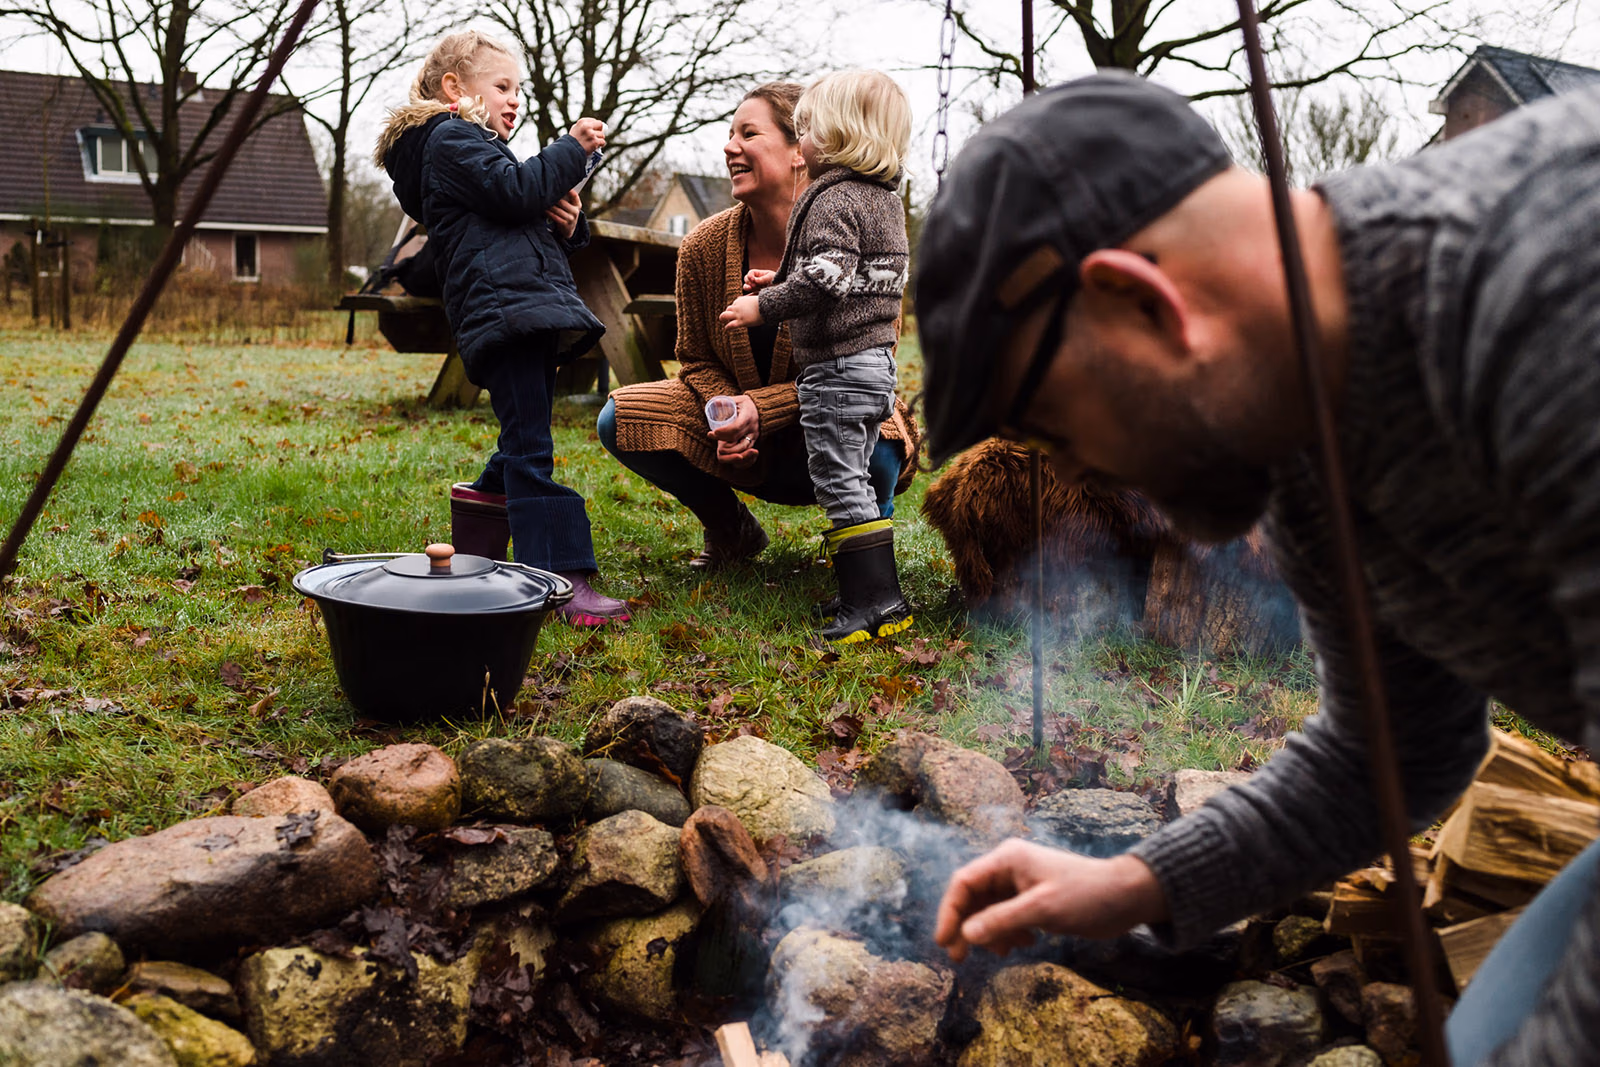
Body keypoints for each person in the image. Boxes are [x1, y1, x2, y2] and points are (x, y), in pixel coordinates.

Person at [916, 71, 1600, 1065]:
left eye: (1053, 431)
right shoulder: (1304, 443)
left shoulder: (1538, 282)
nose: (1067, 474)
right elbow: (1389, 753)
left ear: (1141, 299)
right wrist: (1134, 883)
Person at [597, 82, 919, 578]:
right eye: (730, 134)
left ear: (800, 149)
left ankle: (861, 558)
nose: (730, 147)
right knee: (621, 417)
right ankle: (731, 529)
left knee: (879, 444)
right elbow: (696, 358)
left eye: (749, 133)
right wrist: (726, 414)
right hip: (744, 446)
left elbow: (870, 352)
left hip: (839, 405)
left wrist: (761, 411)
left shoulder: (857, 223)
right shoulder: (703, 246)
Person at [375, 30, 630, 626]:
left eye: (520, 89)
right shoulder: (448, 140)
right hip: (506, 315)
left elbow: (521, 220)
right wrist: (570, 150)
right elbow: (518, 193)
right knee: (530, 447)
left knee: (523, 433)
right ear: (454, 89)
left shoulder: (476, 150)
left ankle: (482, 514)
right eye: (503, 86)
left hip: (523, 310)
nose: (515, 100)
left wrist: (569, 225)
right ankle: (559, 578)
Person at [714, 70, 914, 644]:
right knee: (853, 474)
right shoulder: (882, 199)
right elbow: (856, 273)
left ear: (837, 137)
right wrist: (779, 276)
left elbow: (826, 282)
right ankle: (866, 592)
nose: (801, 143)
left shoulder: (832, 199)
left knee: (837, 478)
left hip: (836, 367)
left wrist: (764, 304)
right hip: (874, 365)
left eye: (807, 131)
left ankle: (875, 604)